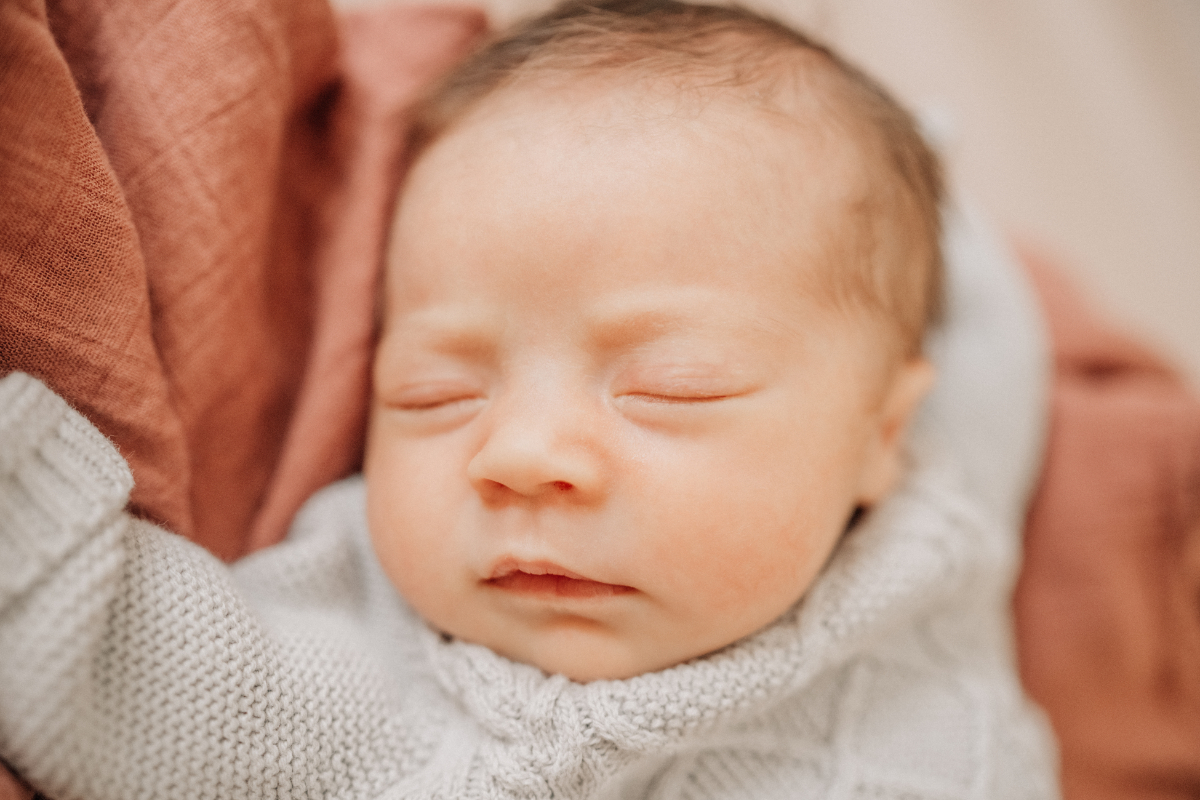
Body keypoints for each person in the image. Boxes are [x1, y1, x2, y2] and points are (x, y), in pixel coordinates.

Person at [0, 1, 1058, 797]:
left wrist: (905, 158)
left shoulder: (942, 488)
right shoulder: (398, 687)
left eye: (667, 387)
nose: (518, 452)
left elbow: (981, 321)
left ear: (882, 431)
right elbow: (110, 658)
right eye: (435, 392)